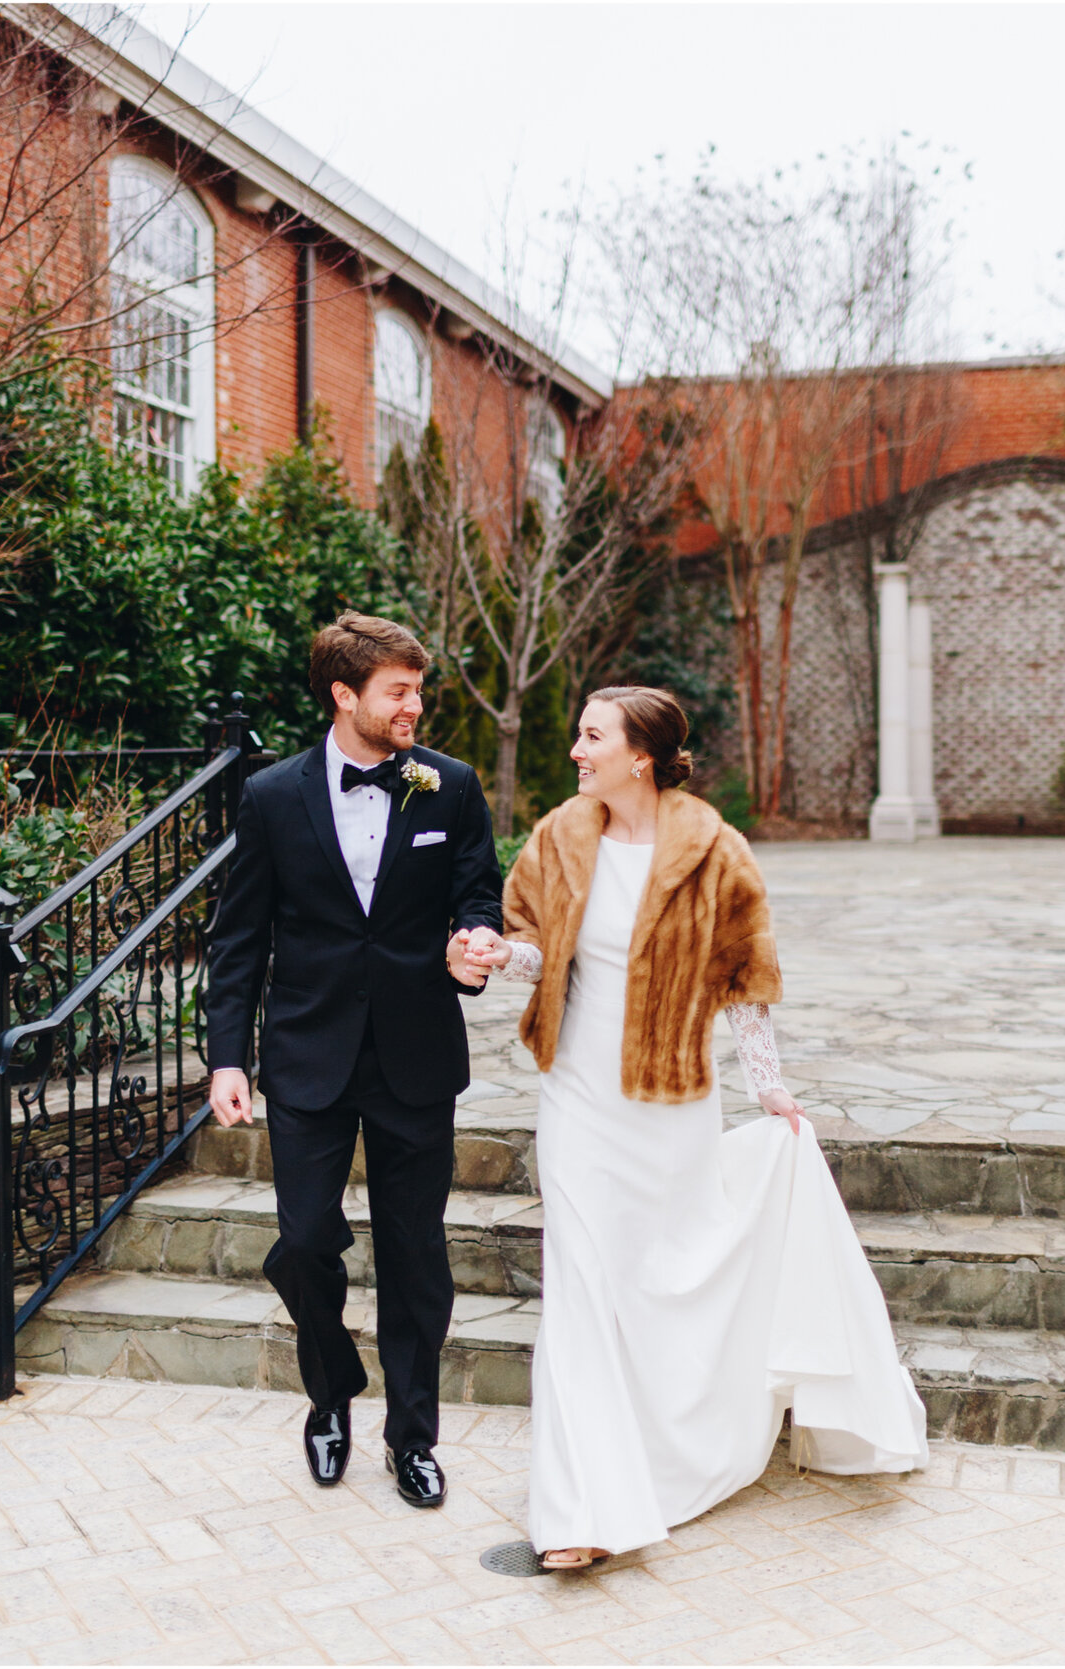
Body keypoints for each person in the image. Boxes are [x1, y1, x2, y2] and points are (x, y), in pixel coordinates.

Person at [448, 685, 927, 1572]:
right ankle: (579, 1509)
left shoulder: (713, 849)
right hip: (579, 1101)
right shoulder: (557, 838)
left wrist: (771, 1090)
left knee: (662, 1282)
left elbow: (746, 977)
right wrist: (485, 954)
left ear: (640, 754)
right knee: (583, 1293)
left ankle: (679, 1456)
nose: (577, 751)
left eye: (592, 736)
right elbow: (533, 951)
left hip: (671, 1105)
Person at [205, 614, 504, 1510]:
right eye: (398, 691)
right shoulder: (269, 795)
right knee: (303, 1244)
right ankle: (330, 1392)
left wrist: (473, 939)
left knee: (416, 1255)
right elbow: (238, 938)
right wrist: (228, 1058)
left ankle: (412, 1437)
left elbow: (475, 893)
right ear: (346, 695)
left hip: (416, 1055)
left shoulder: (448, 786)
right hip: (307, 1055)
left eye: (418, 688)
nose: (416, 704)